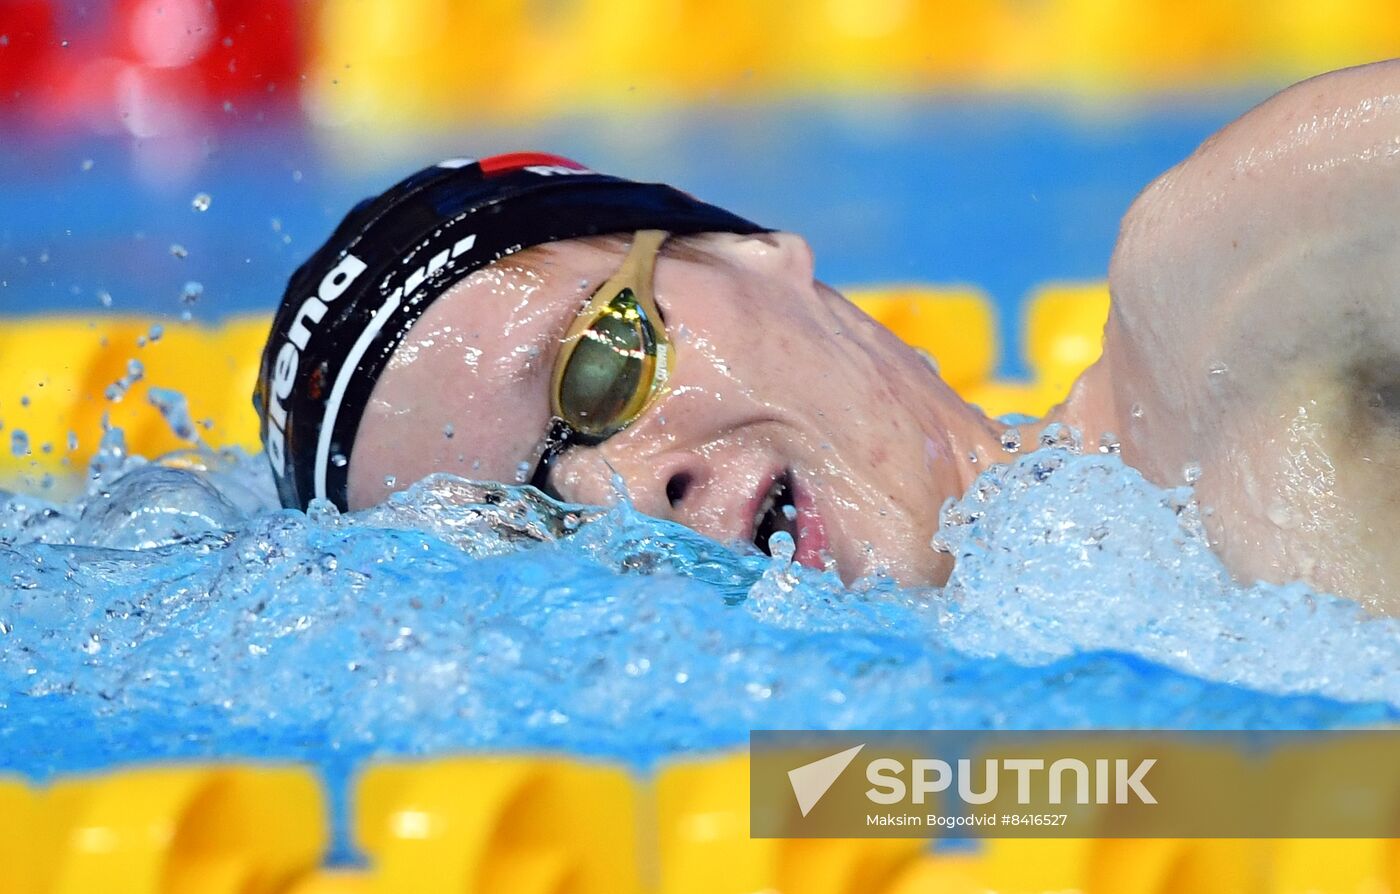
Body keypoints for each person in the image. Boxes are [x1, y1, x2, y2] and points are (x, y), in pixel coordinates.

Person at [255, 61, 1400, 616]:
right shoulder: (845, 804)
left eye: (598, 365)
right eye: (528, 520)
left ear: (755, 253)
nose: (618, 491)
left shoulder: (1238, 307)